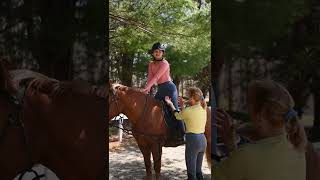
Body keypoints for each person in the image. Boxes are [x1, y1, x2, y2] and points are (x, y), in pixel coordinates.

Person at [214, 80, 307, 180]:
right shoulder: (298, 150)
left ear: (260, 116)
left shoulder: (246, 155)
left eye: (248, 107)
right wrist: (232, 147)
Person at [143, 42, 184, 141]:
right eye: (155, 51)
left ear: (162, 53)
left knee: (174, 109)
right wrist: (146, 90)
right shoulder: (151, 64)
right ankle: (156, 131)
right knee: (152, 108)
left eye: (159, 51)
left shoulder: (165, 63)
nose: (157, 53)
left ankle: (182, 134)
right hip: (161, 88)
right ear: (152, 53)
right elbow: (150, 78)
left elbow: (157, 76)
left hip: (169, 88)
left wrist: (147, 88)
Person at [165, 87, 207, 180]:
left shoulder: (188, 111)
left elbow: (178, 116)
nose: (187, 98)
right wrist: (182, 104)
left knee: (191, 174)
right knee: (198, 171)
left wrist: (171, 104)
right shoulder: (203, 107)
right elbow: (188, 114)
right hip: (203, 140)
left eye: (188, 97)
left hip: (193, 141)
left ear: (192, 98)